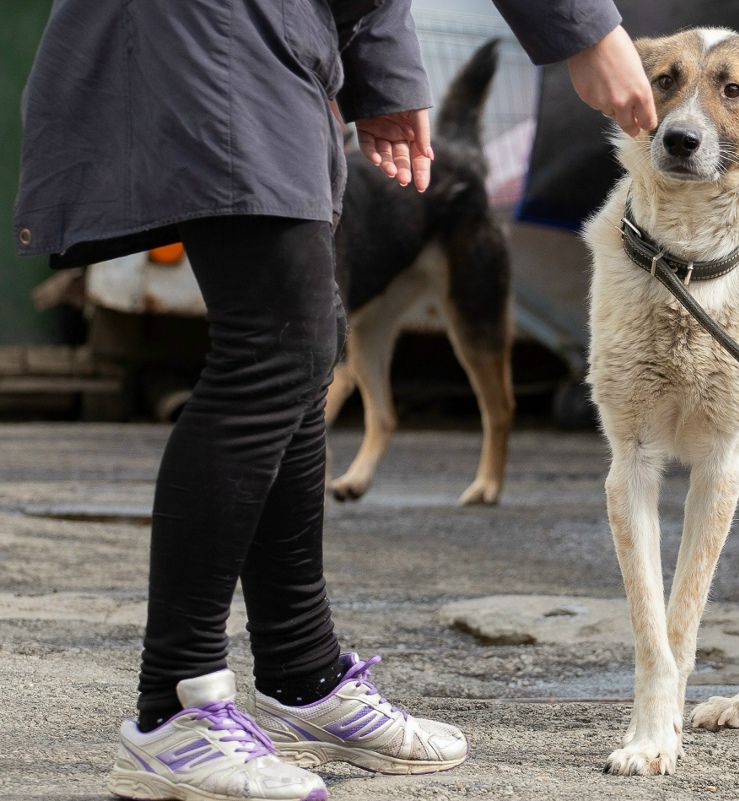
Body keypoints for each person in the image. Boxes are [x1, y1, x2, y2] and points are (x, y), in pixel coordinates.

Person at [13, 2, 656, 799]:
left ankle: (302, 679)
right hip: (218, 22)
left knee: (306, 344)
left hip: (280, 26)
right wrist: (587, 29)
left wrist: (383, 77)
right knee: (272, 350)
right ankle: (174, 711)